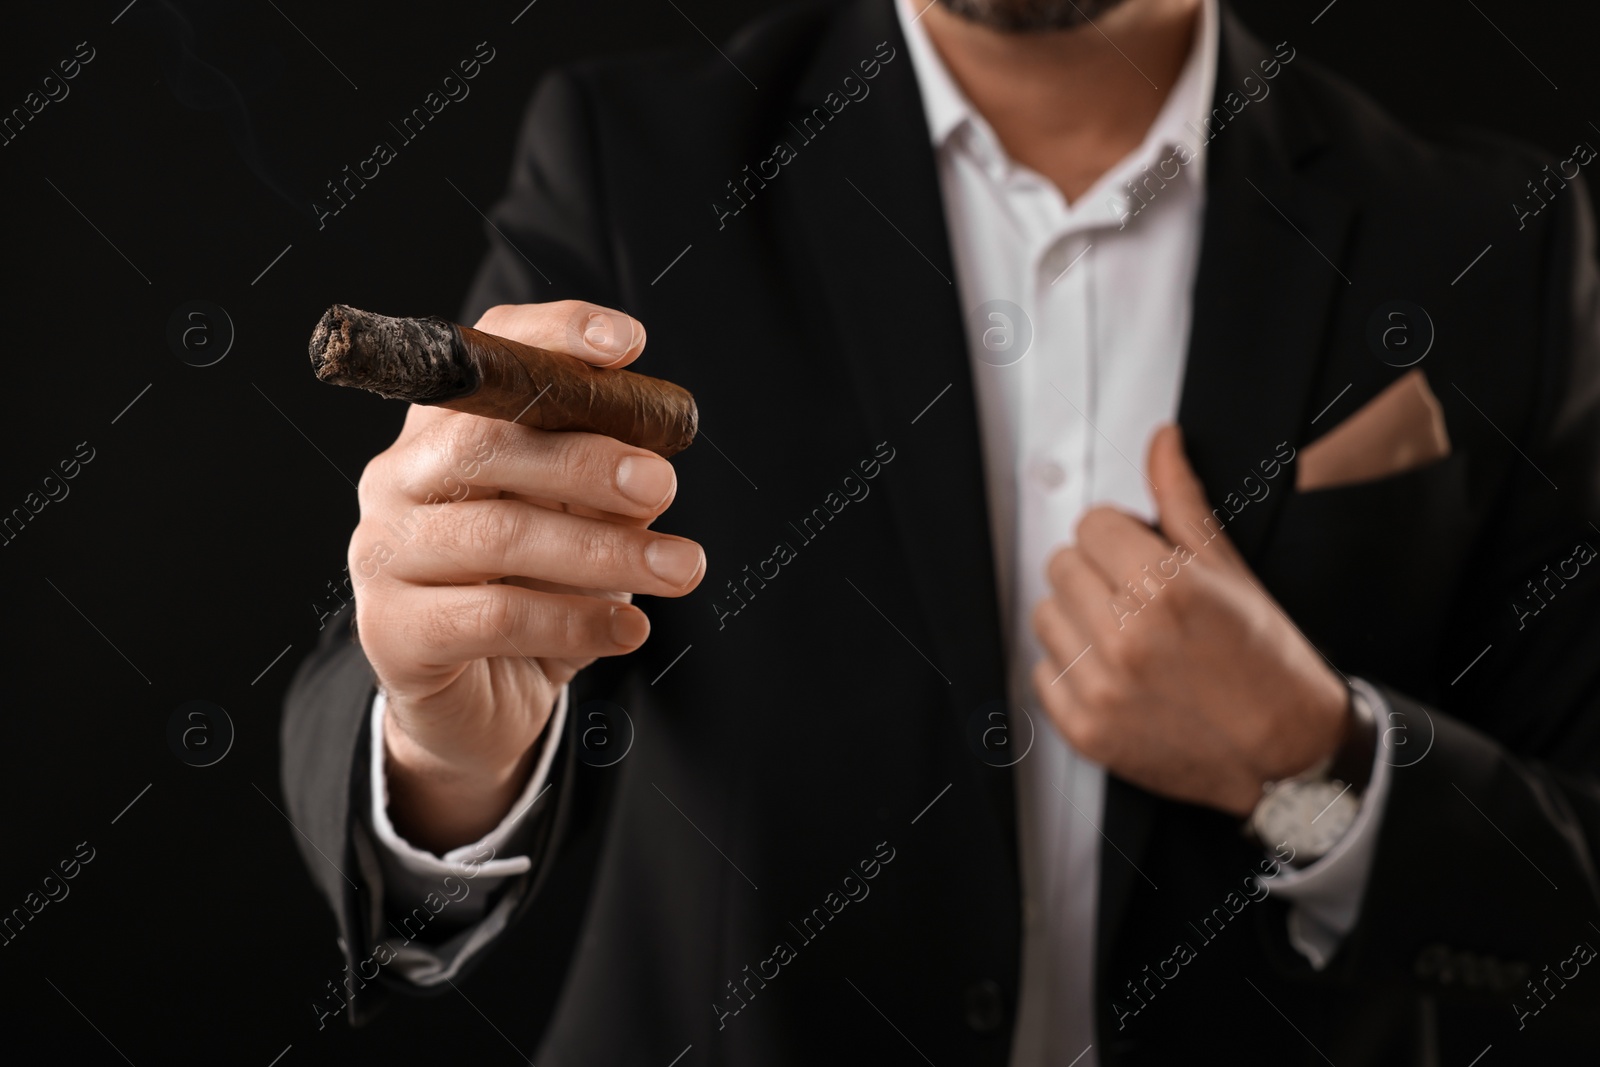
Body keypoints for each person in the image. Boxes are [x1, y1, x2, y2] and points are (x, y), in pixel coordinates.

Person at [282, 0, 1600, 1062]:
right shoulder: (631, 164)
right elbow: (420, 667)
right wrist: (443, 749)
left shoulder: (1491, 237)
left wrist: (1309, 764)